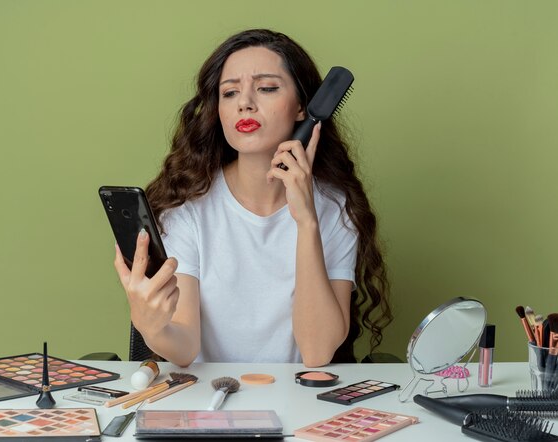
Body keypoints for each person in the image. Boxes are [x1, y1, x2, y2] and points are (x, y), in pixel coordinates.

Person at [114, 29, 392, 367]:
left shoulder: (334, 209)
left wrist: (306, 221)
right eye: (230, 93)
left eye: (267, 88)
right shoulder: (188, 210)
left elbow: (317, 352)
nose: (245, 102)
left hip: (299, 403)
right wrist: (151, 326)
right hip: (209, 404)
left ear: (303, 107)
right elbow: (185, 346)